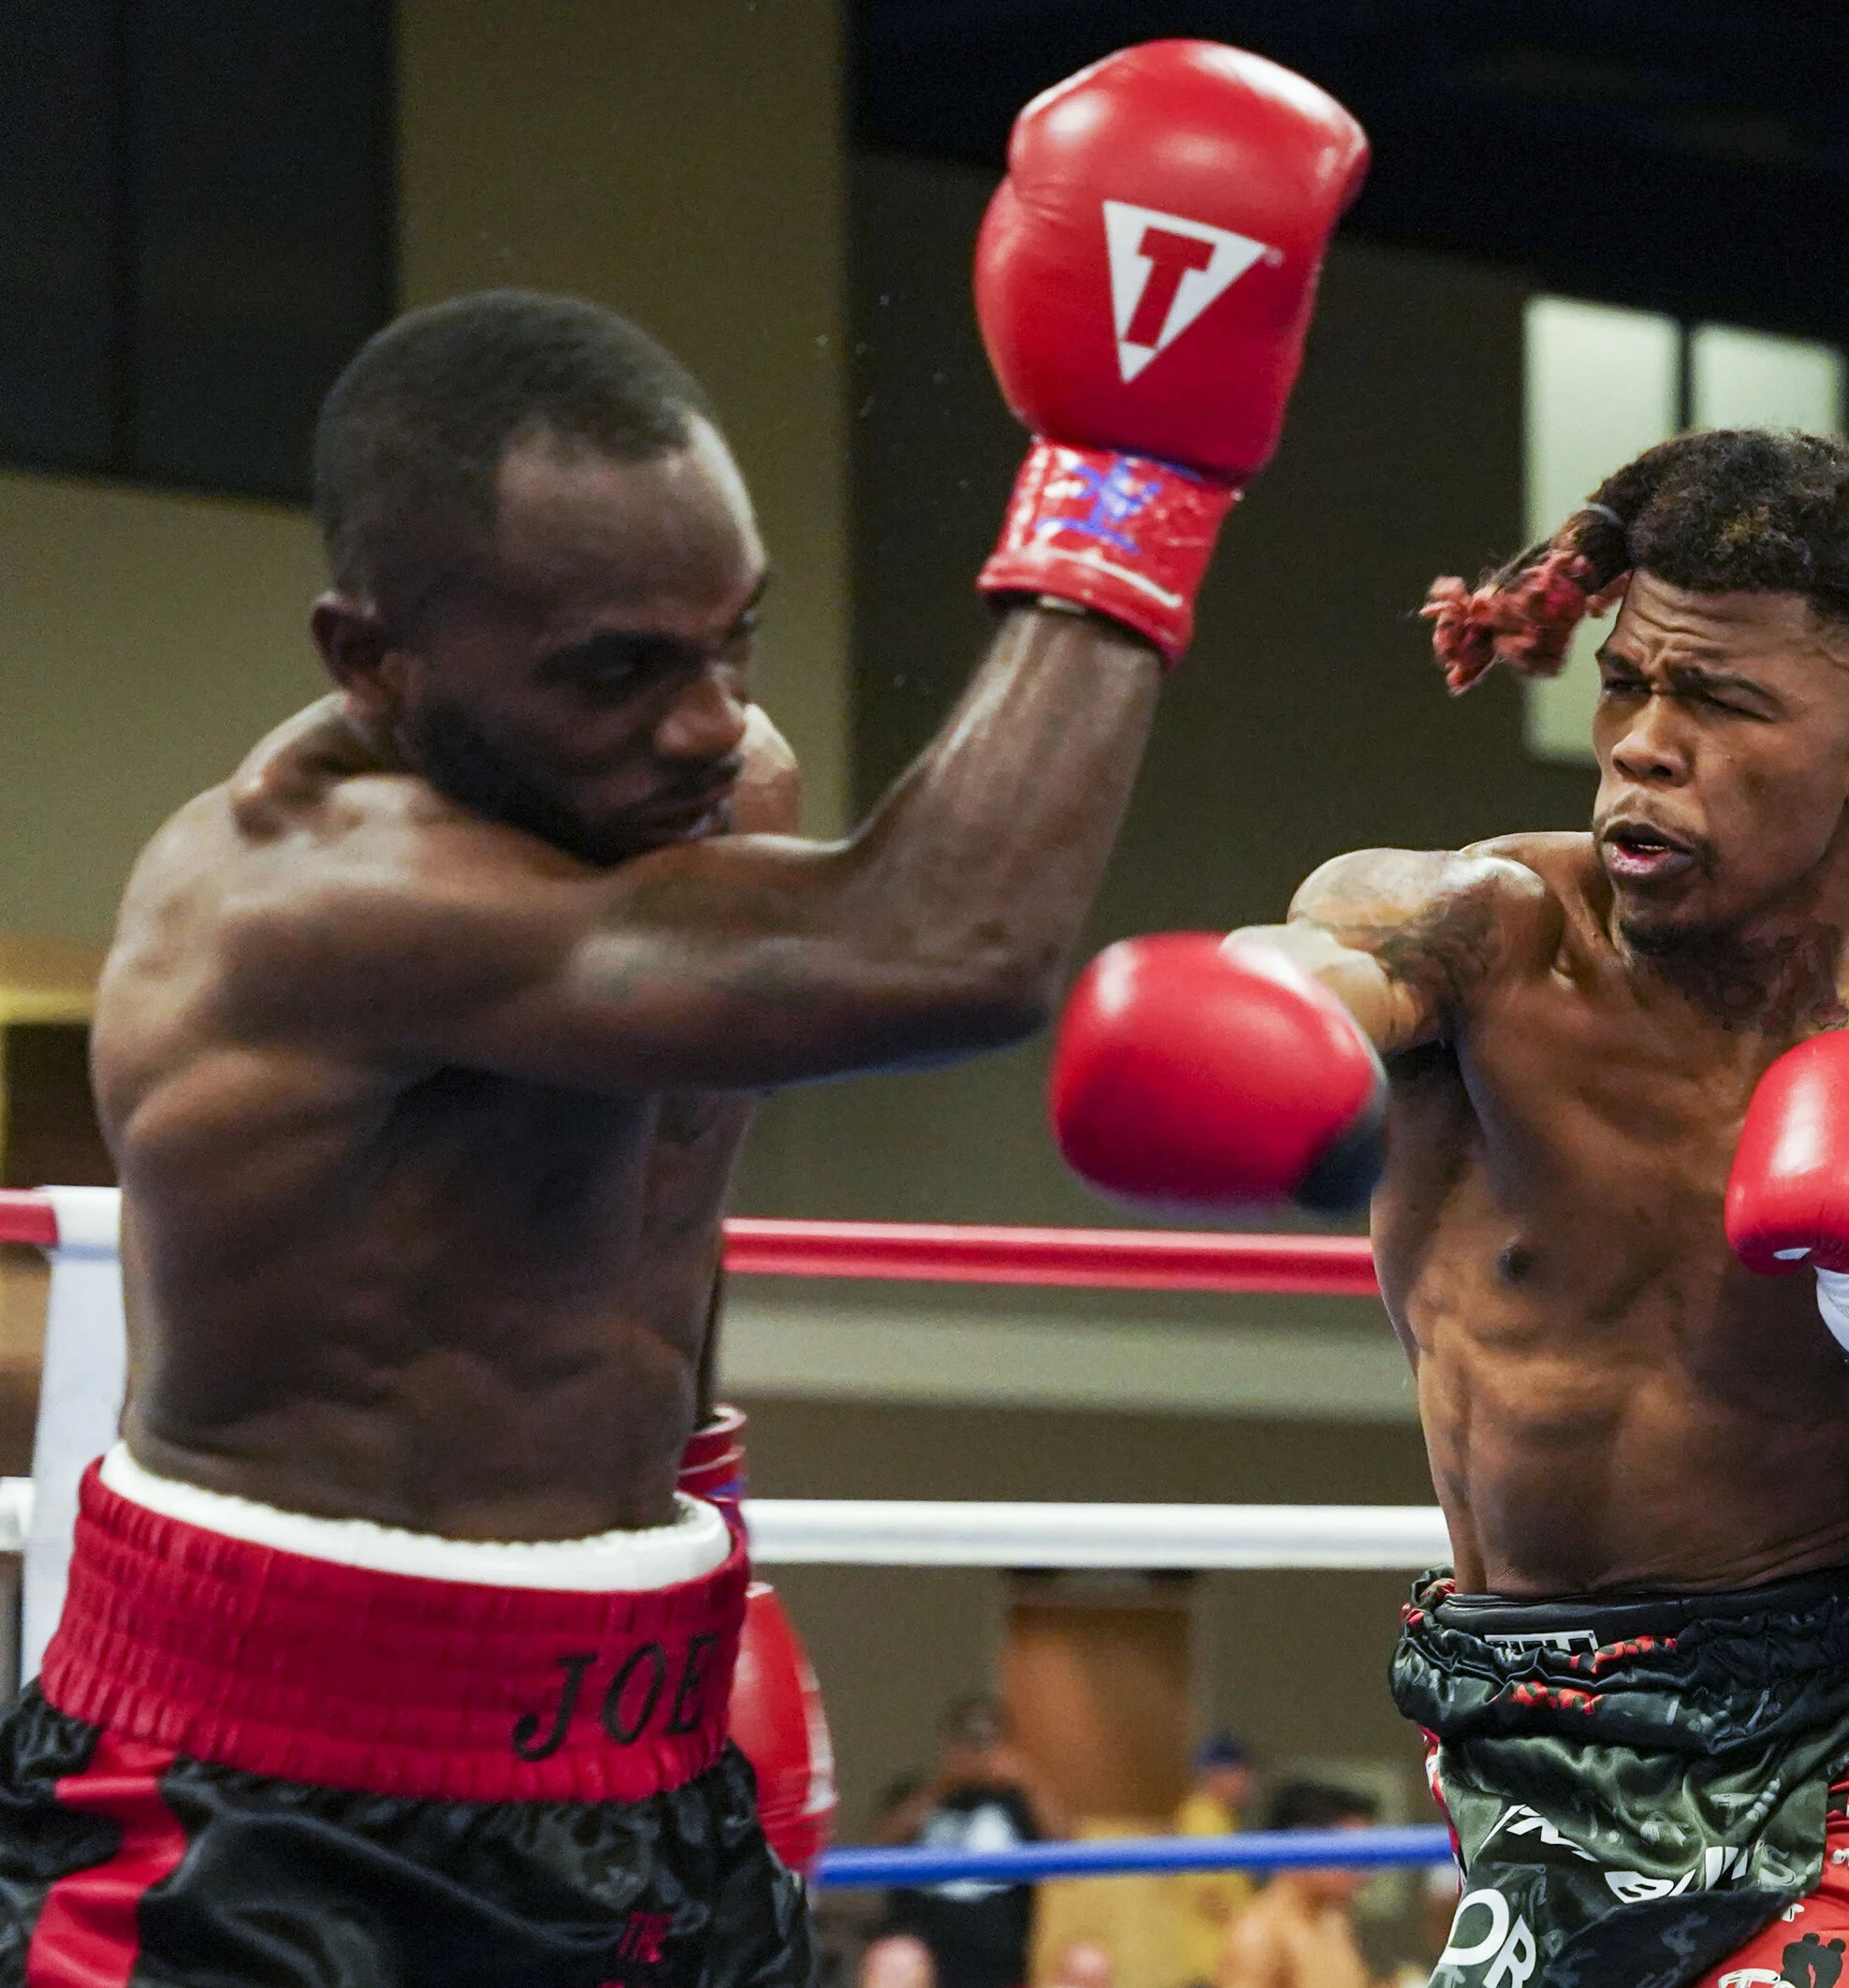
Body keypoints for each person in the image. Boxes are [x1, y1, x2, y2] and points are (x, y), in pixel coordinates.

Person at [0, 39, 1367, 1987]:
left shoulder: (714, 795)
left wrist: (685, 1529)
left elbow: (644, 1212)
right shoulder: (300, 905)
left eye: (729, 640)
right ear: (373, 659)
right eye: (615, 671)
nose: (707, 725)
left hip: (635, 1757)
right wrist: (1133, 475)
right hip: (262, 1813)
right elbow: (947, 951)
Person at [1052, 429, 1849, 1985]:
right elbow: (1317, 967)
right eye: (1628, 681)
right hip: (1519, 1740)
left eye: (1720, 701)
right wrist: (1254, 1029)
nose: (1644, 743)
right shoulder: (1479, 939)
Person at [877, 1697, 1064, 1988]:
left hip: (1003, 1963)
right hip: (922, 1956)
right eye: (966, 1740)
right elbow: (882, 1844)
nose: (976, 1753)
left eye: (987, 1741)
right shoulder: (920, 1794)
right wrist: (941, 1787)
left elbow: (1066, 1850)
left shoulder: (1018, 1801)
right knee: (895, 1961)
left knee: (1085, 1965)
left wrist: (1031, 1784)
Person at [1213, 1782, 1377, 1988]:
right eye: (1352, 1859)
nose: (1363, 1875)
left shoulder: (1333, 1920)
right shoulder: (1260, 1934)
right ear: (1304, 1844)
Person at [1174, 1733, 1261, 1988]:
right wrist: (1251, 1930)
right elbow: (1207, 1893)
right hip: (1211, 1965)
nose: (1249, 1783)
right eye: (1243, 1773)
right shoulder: (1202, 1818)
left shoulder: (1220, 1819)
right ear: (1218, 1774)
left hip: (1225, 1964)